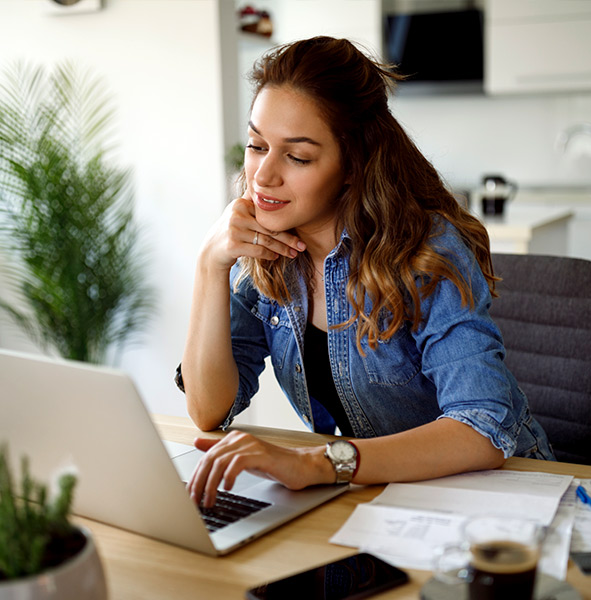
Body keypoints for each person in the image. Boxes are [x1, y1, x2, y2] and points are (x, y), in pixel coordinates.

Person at [179, 37, 554, 508]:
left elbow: (481, 426)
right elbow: (208, 410)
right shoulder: (265, 256)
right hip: (380, 495)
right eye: (257, 145)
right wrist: (208, 266)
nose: (262, 176)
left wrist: (319, 464)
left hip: (492, 494)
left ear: (354, 163)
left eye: (296, 156)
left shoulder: (425, 250)